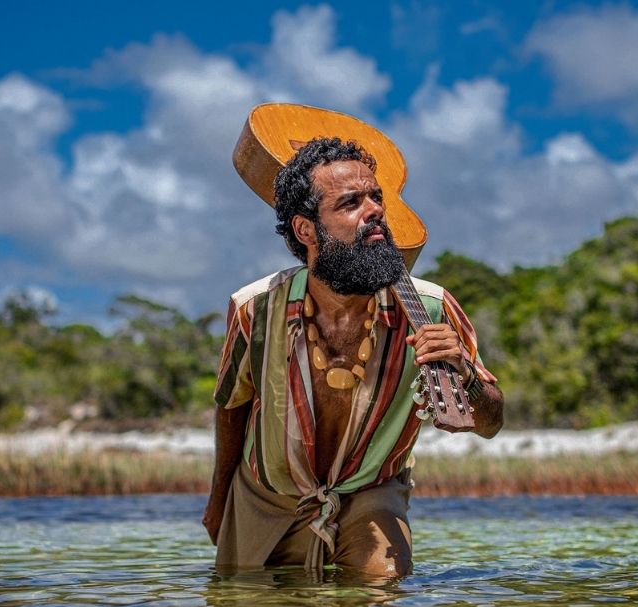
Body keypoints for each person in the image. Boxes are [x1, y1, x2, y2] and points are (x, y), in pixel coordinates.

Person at [202, 137, 503, 576]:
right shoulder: (255, 308)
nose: (375, 210)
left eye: (376, 197)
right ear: (306, 230)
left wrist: (466, 375)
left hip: (372, 492)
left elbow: (492, 424)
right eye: (350, 203)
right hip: (267, 497)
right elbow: (233, 405)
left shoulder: (431, 308)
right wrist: (218, 500)